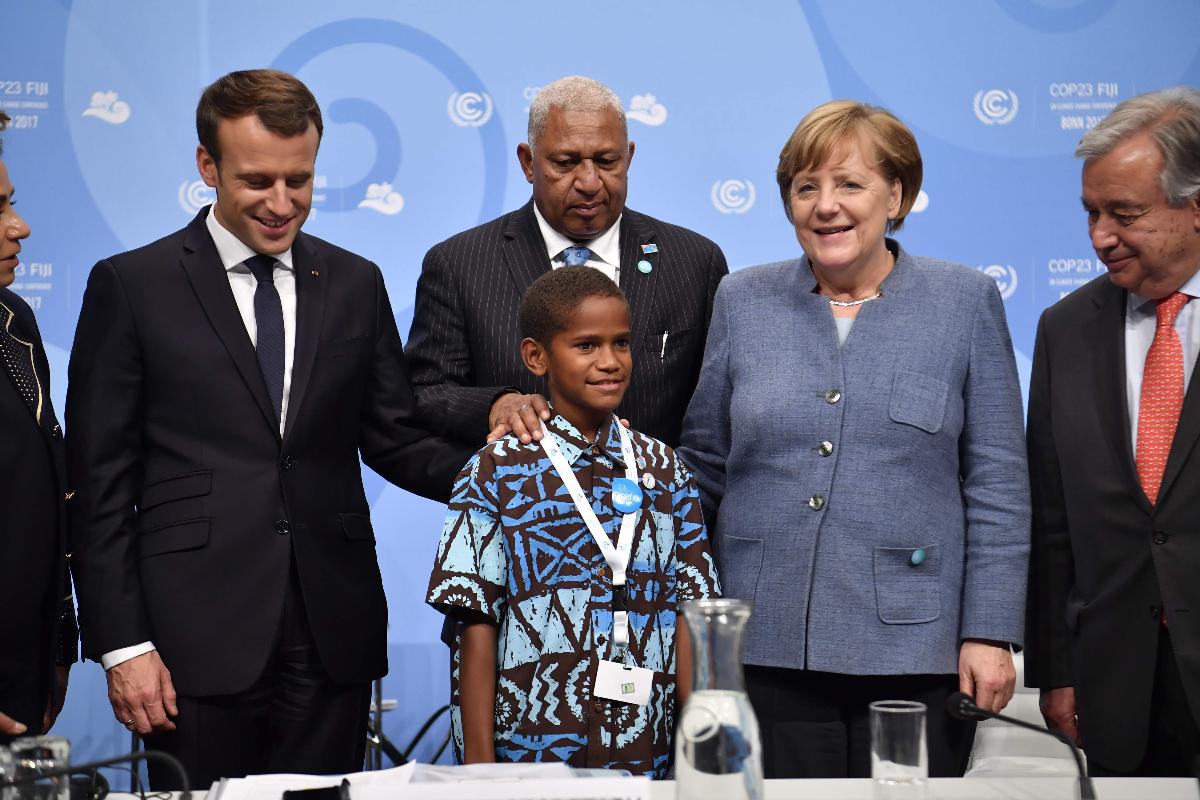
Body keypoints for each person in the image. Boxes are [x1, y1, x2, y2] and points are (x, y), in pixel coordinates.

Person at [66, 70, 471, 788]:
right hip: (189, 638)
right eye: (258, 181)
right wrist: (123, 644)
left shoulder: (355, 282)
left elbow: (395, 438)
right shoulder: (132, 285)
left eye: (300, 180)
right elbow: (98, 484)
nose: (282, 204)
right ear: (206, 166)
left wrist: (509, 477)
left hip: (331, 632)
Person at [678, 100, 1030, 779]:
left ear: (895, 195)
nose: (825, 206)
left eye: (849, 184)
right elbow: (704, 467)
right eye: (806, 187)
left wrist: (989, 632)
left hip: (915, 648)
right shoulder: (741, 300)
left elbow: (997, 483)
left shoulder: (965, 300)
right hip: (763, 640)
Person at [426, 267, 720, 776]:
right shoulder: (497, 470)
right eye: (586, 346)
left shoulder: (664, 469)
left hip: (645, 748)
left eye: (622, 343)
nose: (610, 362)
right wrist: (479, 771)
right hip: (525, 755)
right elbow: (473, 623)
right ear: (537, 356)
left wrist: (697, 757)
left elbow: (690, 616)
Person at [1025, 87, 1200, 777]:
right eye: (1092, 213)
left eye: (1124, 214)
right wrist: (1056, 673)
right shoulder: (1063, 329)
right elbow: (1052, 521)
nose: (1100, 236)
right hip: (1117, 689)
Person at [406, 75, 727, 449]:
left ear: (630, 158)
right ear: (528, 162)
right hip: (518, 505)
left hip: (658, 504)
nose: (589, 182)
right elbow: (424, 393)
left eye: (607, 161)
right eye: (566, 162)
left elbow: (719, 417)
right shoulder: (460, 264)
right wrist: (495, 404)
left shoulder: (695, 262)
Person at [0, 110, 76, 743]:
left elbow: (47, 497)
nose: (19, 226)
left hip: (21, 686)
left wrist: (60, 639)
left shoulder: (13, 322)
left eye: (12, 203)